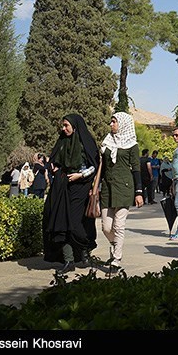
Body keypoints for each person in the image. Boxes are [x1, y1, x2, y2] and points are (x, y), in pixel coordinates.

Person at [43, 113, 100, 274]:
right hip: (62, 186)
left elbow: (94, 165)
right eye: (63, 125)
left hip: (81, 186)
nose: (63, 129)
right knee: (61, 223)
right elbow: (54, 159)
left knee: (74, 223)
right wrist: (54, 167)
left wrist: (80, 175)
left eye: (66, 126)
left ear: (75, 127)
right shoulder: (62, 141)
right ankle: (68, 260)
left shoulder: (85, 142)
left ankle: (84, 248)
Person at [98, 111, 143, 268]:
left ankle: (117, 258)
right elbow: (102, 167)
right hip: (107, 188)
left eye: (114, 122)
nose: (111, 124)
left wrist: (139, 192)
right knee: (106, 227)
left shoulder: (132, 145)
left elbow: (136, 169)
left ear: (123, 124)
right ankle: (116, 245)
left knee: (118, 225)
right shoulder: (107, 142)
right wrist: (96, 186)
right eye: (111, 122)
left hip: (124, 187)